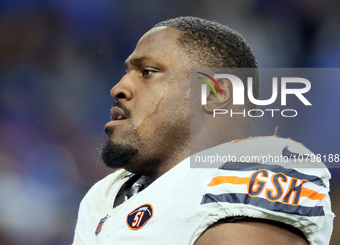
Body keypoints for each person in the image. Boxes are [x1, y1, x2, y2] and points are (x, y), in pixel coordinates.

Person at [72, 17, 333, 245]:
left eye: (148, 72)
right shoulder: (104, 194)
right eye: (127, 72)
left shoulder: (251, 174)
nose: (118, 88)